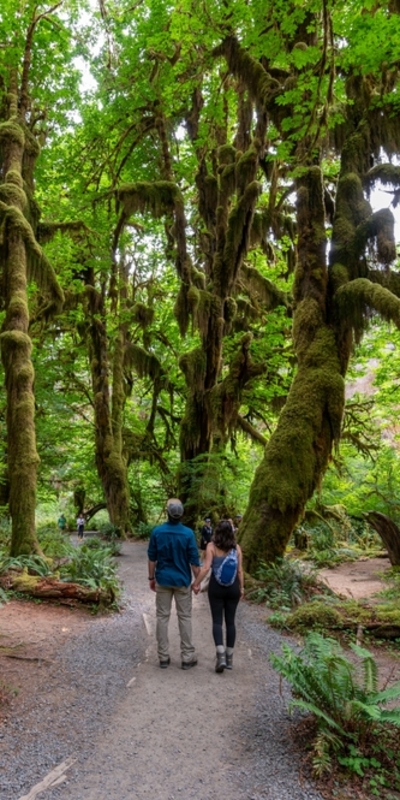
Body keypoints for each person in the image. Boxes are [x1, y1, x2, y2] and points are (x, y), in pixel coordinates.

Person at [147, 498, 200, 670]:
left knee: (162, 617)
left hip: (163, 579)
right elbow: (194, 561)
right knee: (184, 617)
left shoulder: (157, 532)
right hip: (182, 580)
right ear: (181, 514)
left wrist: (151, 578)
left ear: (168, 513)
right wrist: (197, 582)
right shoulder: (188, 534)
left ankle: (163, 657)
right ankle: (187, 657)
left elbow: (152, 558)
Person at [192, 519, 244, 673]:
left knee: (217, 621)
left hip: (216, 588)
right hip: (233, 587)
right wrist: (242, 588)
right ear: (232, 532)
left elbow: (206, 568)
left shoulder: (211, 547)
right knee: (231, 622)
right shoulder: (237, 548)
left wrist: (196, 583)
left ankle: (220, 656)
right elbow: (240, 571)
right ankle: (229, 658)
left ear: (217, 532)